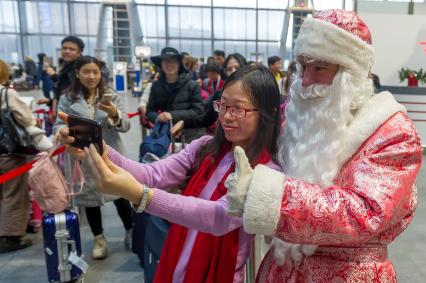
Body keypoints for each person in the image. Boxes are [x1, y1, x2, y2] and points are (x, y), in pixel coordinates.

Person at [225, 9, 422, 282]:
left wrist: (266, 196)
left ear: (349, 73)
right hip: (283, 268)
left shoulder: (392, 133)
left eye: (319, 68)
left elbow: (363, 214)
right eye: (302, 66)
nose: (305, 81)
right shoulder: (299, 123)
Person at [57, 64, 282, 282]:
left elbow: (220, 217)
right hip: (178, 259)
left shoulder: (266, 173)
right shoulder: (205, 148)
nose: (227, 116)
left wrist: (142, 196)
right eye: (222, 105)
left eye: (238, 109)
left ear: (267, 113)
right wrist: (100, 148)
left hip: (218, 272)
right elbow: (152, 174)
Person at [53, 56, 133, 260]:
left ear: (100, 74)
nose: (91, 76)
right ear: (77, 74)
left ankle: (131, 230)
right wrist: (63, 132)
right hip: (82, 156)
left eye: (95, 72)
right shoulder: (67, 98)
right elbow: (57, 125)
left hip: (110, 152)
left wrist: (114, 113)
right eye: (86, 72)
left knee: (121, 195)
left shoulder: (111, 96)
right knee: (90, 200)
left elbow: (125, 125)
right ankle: (99, 239)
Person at [0, 59, 53, 253]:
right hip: (9, 152)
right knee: (14, 194)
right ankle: (11, 237)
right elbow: (26, 119)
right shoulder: (6, 93)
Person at [146, 47, 205, 142]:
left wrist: (172, 115)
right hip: (165, 135)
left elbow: (198, 111)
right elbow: (149, 112)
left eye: (173, 61)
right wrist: (158, 117)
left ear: (179, 64)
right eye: (165, 61)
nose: (169, 64)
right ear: (161, 64)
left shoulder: (192, 85)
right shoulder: (156, 86)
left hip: (189, 135)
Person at [46, 36, 85, 119]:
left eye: (71, 49)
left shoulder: (82, 68)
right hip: (63, 107)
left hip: (75, 111)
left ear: (79, 53)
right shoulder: (65, 64)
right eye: (64, 48)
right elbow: (61, 87)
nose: (67, 51)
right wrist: (53, 104)